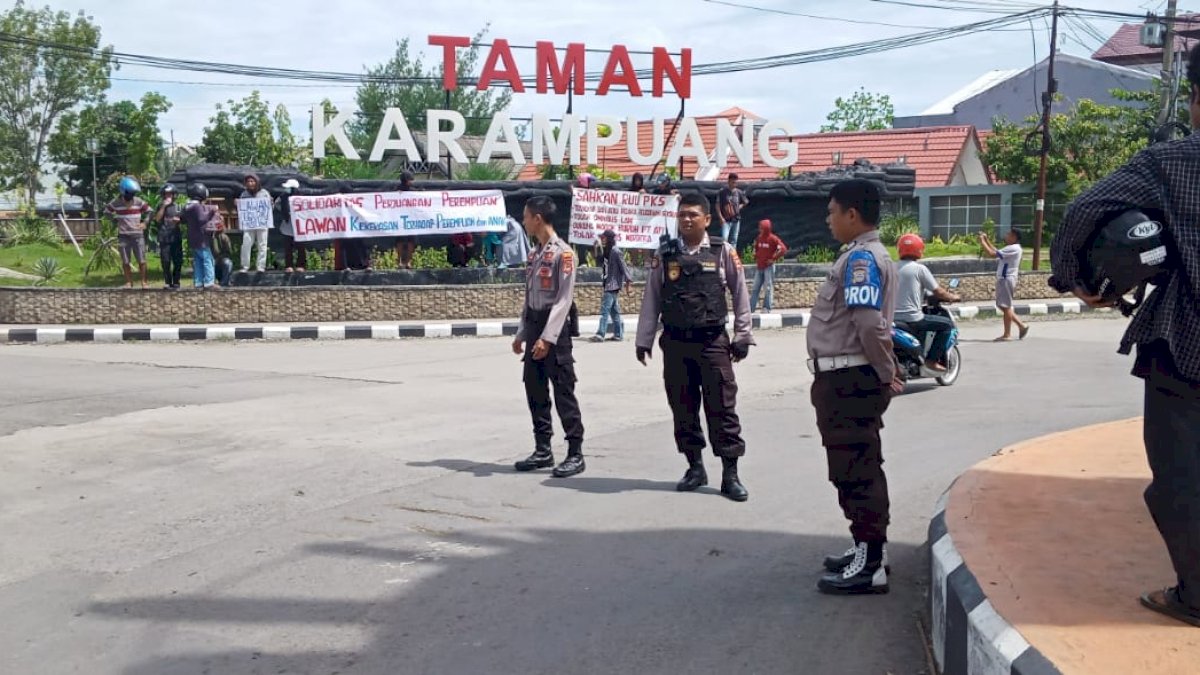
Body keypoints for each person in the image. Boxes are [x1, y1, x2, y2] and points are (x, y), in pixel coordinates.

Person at [1047, 42, 1200, 629]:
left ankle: (1195, 596)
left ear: (1194, 99)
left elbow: (1086, 210)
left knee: (1182, 481)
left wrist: (1079, 281)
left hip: (1186, 345)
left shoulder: (1174, 162)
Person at [807, 178, 902, 595]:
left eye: (832, 212)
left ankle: (871, 562)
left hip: (850, 380)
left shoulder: (862, 259)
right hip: (845, 377)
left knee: (856, 469)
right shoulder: (860, 256)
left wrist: (885, 371)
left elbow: (868, 323)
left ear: (851, 214)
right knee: (852, 466)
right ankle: (865, 546)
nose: (828, 220)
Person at [635, 192, 755, 502]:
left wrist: (743, 336)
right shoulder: (665, 254)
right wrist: (643, 339)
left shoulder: (723, 251)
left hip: (712, 341)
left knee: (722, 407)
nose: (686, 219)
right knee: (683, 407)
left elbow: (741, 295)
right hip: (675, 342)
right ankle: (695, 467)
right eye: (682, 214)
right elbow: (652, 298)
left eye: (693, 214)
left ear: (707, 219)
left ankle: (731, 474)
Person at [511, 196, 586, 478]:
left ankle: (575, 452)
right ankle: (543, 449)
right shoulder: (534, 254)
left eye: (526, 216)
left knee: (563, 390)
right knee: (535, 387)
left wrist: (547, 338)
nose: (523, 221)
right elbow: (529, 298)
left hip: (554, 332)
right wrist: (522, 333)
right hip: (533, 326)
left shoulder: (563, 254)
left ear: (538, 219)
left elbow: (563, 300)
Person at [894, 233, 961, 371]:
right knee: (947, 325)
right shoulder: (920, 269)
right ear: (919, 249)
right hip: (912, 318)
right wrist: (952, 297)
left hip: (891, 319)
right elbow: (938, 292)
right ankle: (931, 361)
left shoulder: (891, 268)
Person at [979, 229, 1029, 341]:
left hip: (1006, 278)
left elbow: (992, 254)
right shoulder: (1012, 248)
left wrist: (982, 242)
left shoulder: (1013, 248)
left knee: (1005, 306)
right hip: (1005, 278)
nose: (1006, 236)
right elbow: (997, 252)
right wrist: (987, 241)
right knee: (1003, 305)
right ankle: (1021, 326)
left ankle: (1007, 334)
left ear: (1014, 237)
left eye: (1009, 234)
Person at [105, 176, 151, 289]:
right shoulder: (116, 203)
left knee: (142, 260)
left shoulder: (139, 202)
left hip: (137, 234)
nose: (131, 195)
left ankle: (144, 282)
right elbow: (106, 212)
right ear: (123, 191)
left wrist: (145, 223)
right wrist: (115, 220)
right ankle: (128, 282)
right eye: (130, 193)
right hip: (123, 236)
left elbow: (150, 211)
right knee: (125, 261)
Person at [591, 229, 634, 342]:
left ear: (609, 238)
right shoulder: (607, 250)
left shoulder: (616, 251)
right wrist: (596, 247)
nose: (602, 239)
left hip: (612, 285)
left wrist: (629, 283)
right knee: (614, 311)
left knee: (604, 310)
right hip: (608, 283)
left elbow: (624, 267)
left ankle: (600, 334)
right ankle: (618, 334)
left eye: (604, 237)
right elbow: (599, 260)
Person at [183, 183, 220, 290]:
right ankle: (209, 282)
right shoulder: (197, 206)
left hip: (192, 238)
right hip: (201, 238)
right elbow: (202, 219)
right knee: (208, 259)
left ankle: (198, 282)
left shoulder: (188, 206)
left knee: (198, 260)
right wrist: (212, 211)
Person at [750, 218, 788, 312]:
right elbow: (756, 247)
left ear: (766, 228)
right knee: (755, 288)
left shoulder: (773, 238)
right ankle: (750, 308)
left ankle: (767, 308)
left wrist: (773, 259)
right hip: (759, 267)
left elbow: (783, 249)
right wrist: (755, 254)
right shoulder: (759, 237)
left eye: (762, 227)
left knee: (768, 288)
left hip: (768, 267)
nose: (760, 229)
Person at [238, 173, 271, 273]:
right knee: (246, 244)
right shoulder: (244, 194)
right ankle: (245, 266)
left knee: (262, 244)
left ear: (257, 182)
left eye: (252, 181)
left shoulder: (264, 193)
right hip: (249, 224)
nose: (250, 183)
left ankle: (261, 266)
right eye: (248, 182)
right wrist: (237, 203)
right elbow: (241, 209)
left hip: (262, 223)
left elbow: (270, 208)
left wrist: (271, 203)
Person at [154, 185, 183, 289]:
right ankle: (167, 281)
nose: (168, 196)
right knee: (165, 261)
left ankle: (176, 281)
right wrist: (163, 206)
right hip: (164, 237)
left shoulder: (178, 206)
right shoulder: (160, 206)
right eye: (166, 194)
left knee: (178, 261)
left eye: (170, 194)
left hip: (175, 237)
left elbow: (183, 220)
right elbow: (157, 219)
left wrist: (179, 220)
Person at [276, 179, 305, 272]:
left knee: (300, 247)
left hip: (300, 226)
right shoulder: (283, 197)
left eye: (288, 188)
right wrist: (285, 211)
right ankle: (289, 265)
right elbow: (277, 204)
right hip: (287, 226)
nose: (286, 189)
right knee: (288, 248)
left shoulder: (302, 198)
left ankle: (301, 265)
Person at [717, 173, 750, 248]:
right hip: (726, 219)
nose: (734, 184)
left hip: (736, 219)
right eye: (732, 182)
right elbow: (717, 205)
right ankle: (724, 255)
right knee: (724, 238)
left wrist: (739, 207)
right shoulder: (722, 192)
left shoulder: (739, 192)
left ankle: (732, 256)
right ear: (728, 181)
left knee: (734, 240)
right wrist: (720, 217)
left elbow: (746, 201)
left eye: (735, 182)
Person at [394, 171, 418, 269]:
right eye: (410, 180)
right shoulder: (396, 190)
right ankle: (399, 262)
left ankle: (408, 262)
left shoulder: (413, 191)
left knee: (410, 242)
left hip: (411, 219)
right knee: (400, 241)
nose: (411, 182)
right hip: (399, 219)